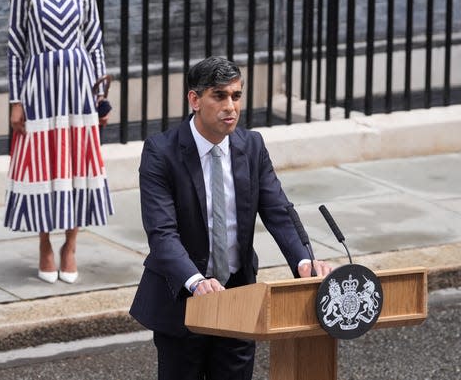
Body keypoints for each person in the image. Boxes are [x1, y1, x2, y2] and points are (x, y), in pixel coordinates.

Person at [129, 56, 332, 379]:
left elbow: (279, 211)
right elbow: (162, 233)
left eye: (236, 96)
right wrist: (196, 282)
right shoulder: (161, 152)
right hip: (184, 302)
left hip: (239, 299)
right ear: (194, 100)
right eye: (219, 96)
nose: (231, 107)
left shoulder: (251, 146)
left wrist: (304, 262)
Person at [4, 0, 113, 285]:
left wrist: (102, 97)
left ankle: (70, 245)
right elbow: (15, 50)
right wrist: (16, 101)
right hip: (39, 89)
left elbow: (95, 43)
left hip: (78, 89)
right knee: (43, 165)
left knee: (75, 163)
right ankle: (45, 244)